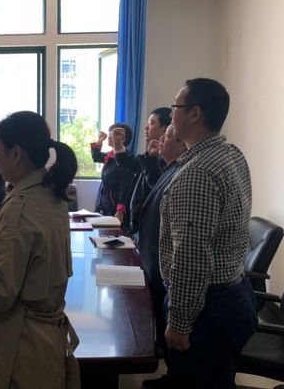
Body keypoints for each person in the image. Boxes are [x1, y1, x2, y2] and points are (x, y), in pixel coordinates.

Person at [0, 111, 80, 389]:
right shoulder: (50, 193)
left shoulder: (21, 208)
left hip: (19, 348)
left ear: (16, 153)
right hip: (42, 341)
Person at [158, 78, 256, 389]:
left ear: (195, 113)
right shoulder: (232, 154)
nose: (171, 114)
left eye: (175, 106)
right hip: (234, 294)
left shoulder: (197, 173)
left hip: (207, 309)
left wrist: (180, 323)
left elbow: (191, 256)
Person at [137, 125, 187, 387]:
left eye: (166, 136)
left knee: (172, 336)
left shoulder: (185, 174)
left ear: (181, 145)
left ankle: (176, 377)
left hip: (163, 267)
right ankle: (172, 375)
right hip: (155, 264)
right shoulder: (172, 168)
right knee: (160, 323)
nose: (159, 140)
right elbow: (154, 186)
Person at [112, 107, 171, 239]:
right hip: (140, 226)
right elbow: (130, 163)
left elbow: (158, 187)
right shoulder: (150, 155)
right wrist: (118, 143)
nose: (146, 127)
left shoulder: (167, 158)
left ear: (165, 129)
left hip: (152, 229)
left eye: (152, 123)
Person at [89, 123, 134, 222]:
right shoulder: (110, 155)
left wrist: (120, 209)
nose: (109, 137)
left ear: (123, 139)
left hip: (114, 206)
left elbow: (124, 186)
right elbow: (96, 157)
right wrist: (100, 140)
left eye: (113, 134)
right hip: (104, 201)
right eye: (110, 134)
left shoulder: (125, 159)